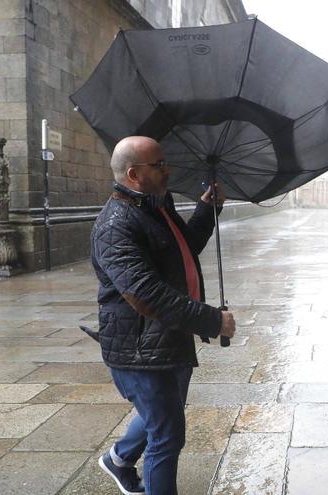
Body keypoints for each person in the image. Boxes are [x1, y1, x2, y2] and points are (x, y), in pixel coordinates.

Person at [90, 136, 236, 495]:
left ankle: (119, 459)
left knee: (163, 415)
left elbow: (183, 250)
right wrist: (213, 321)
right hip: (139, 349)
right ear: (134, 173)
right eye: (159, 165)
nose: (167, 170)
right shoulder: (115, 225)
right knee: (168, 434)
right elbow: (146, 294)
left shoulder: (156, 207)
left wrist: (206, 210)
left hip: (169, 337)